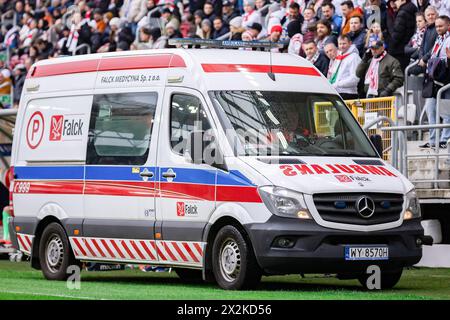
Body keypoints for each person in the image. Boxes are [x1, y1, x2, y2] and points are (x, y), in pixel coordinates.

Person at [419, 15, 450, 149]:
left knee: (445, 112)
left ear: (448, 26)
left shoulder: (449, 40)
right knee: (430, 110)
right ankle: (433, 140)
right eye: (436, 26)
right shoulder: (438, 39)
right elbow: (432, 54)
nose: (438, 28)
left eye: (441, 26)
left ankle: (444, 139)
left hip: (445, 81)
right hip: (433, 80)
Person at [329, 34, 361, 100]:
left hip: (349, 93)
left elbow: (355, 78)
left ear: (350, 43)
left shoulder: (354, 57)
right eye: (340, 44)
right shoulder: (339, 56)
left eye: (344, 43)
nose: (342, 46)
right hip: (337, 92)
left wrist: (338, 84)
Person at [388, 0, 418, 70]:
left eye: (396, 0)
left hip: (399, 50)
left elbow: (397, 33)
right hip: (407, 47)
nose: (395, 2)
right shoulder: (411, 9)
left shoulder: (402, 13)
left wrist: (390, 48)